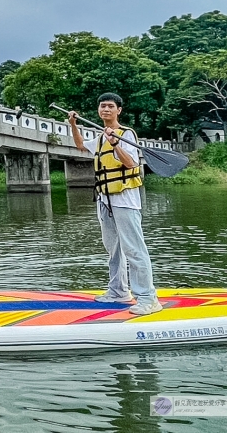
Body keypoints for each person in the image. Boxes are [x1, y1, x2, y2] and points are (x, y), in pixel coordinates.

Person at [68, 93, 161, 316]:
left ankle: (148, 298)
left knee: (134, 249)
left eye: (110, 106)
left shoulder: (126, 134)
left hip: (125, 200)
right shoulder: (100, 137)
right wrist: (73, 124)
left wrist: (116, 143)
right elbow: (81, 145)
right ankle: (118, 291)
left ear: (119, 110)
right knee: (113, 249)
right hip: (104, 199)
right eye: (103, 106)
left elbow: (131, 163)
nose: (106, 109)